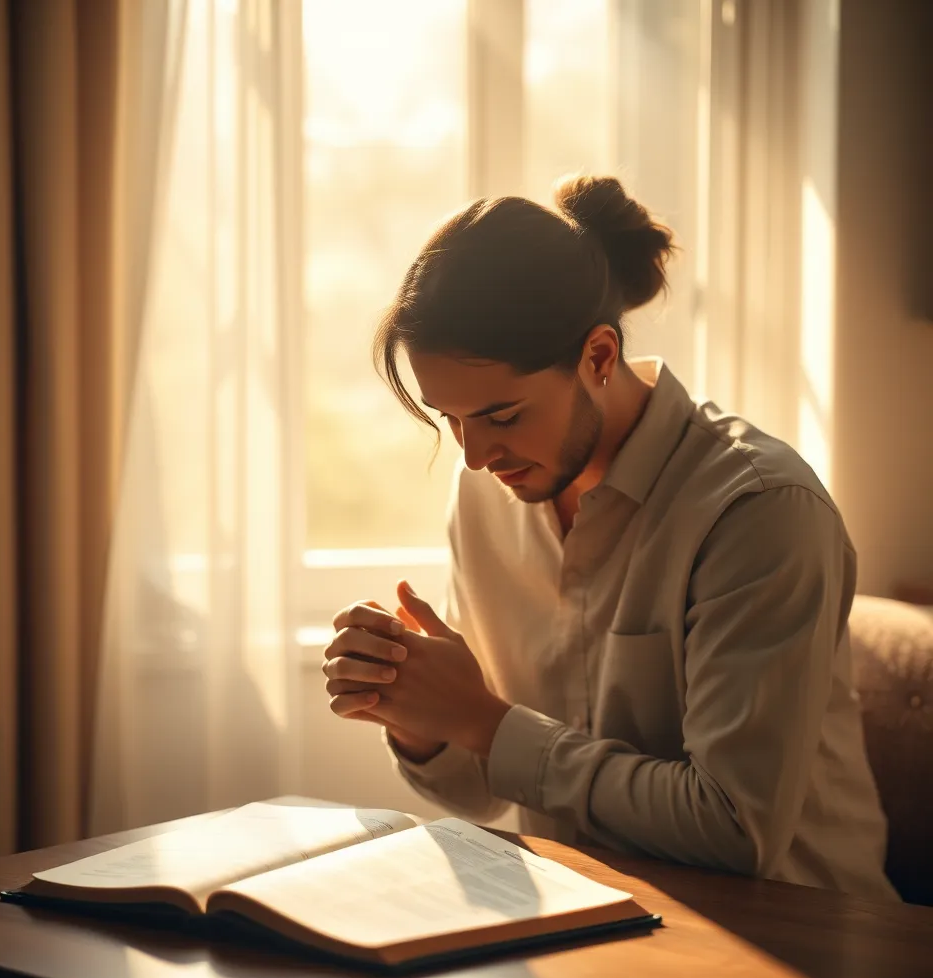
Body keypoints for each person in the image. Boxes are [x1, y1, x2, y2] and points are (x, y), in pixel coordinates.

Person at [321, 175, 896, 901]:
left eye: (500, 416)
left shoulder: (758, 511)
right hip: (587, 923)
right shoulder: (487, 492)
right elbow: (482, 790)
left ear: (598, 357)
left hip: (798, 939)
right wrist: (418, 715)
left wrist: (480, 718)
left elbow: (734, 831)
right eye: (450, 420)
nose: (473, 455)